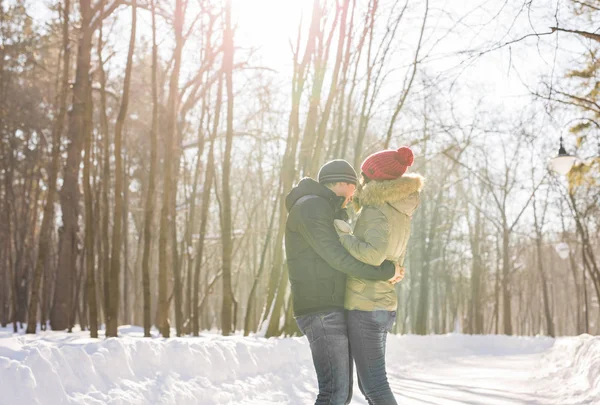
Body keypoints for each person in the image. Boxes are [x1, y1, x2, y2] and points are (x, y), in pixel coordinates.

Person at [285, 159, 403, 405]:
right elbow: (337, 258)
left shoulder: (325, 208)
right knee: (334, 394)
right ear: (342, 182)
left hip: (330, 306)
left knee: (341, 394)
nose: (356, 192)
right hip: (319, 309)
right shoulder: (311, 207)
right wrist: (384, 272)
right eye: (354, 186)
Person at [335, 147, 423, 405]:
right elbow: (390, 258)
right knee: (371, 384)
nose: (360, 182)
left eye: (363, 177)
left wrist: (343, 236)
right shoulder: (399, 209)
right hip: (380, 303)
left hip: (366, 305)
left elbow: (373, 255)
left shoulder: (376, 210)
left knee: (375, 386)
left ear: (374, 179)